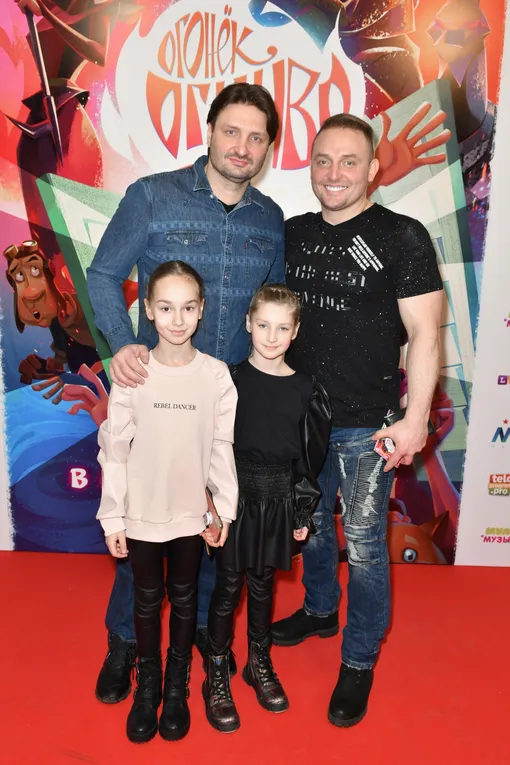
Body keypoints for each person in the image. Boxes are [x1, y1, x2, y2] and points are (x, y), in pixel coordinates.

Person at [87, 82, 284, 704]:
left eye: (256, 137)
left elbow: (274, 308)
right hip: (157, 393)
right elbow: (102, 274)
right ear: (210, 131)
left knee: (211, 520)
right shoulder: (152, 196)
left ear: (269, 149)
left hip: (229, 399)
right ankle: (126, 640)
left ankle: (193, 632)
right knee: (146, 521)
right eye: (232, 131)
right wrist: (122, 344)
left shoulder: (270, 218)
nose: (242, 146)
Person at [272, 114, 444, 727]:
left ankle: (360, 657)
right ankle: (321, 610)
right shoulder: (290, 234)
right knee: (314, 527)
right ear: (310, 167)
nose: (334, 173)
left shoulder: (402, 236)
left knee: (367, 547)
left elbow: (425, 334)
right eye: (323, 160)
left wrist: (416, 418)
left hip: (369, 425)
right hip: (301, 418)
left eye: (349, 161)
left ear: (372, 168)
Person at [96, 260, 238, 743]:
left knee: (184, 598)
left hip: (190, 516)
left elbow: (221, 447)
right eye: (166, 307)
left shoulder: (216, 376)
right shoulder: (133, 374)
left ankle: (176, 686)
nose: (177, 319)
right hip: (141, 513)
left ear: (202, 310)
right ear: (149, 311)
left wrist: (222, 509)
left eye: (188, 308)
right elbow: (114, 449)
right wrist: (113, 516)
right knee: (145, 600)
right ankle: (148, 687)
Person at [202, 284, 331, 733]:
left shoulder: (306, 389)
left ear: (295, 331)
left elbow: (309, 459)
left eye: (281, 328)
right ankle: (217, 669)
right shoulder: (229, 380)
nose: (271, 336)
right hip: (233, 498)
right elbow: (208, 446)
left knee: (262, 586)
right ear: (248, 324)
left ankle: (258, 661)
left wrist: (302, 511)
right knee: (227, 587)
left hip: (277, 501)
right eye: (263, 325)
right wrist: (211, 505)